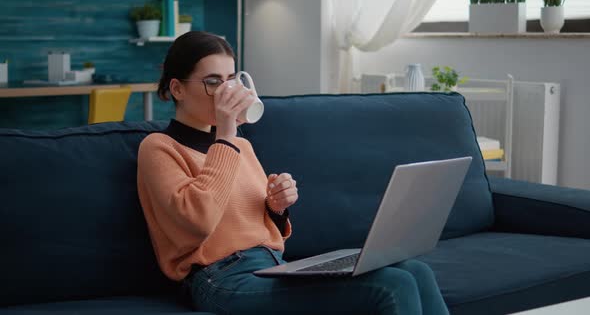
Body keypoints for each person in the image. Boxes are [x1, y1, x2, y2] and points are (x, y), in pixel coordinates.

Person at [137, 31, 449, 315]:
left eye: (231, 79)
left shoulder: (239, 147)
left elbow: (256, 224)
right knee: (393, 285)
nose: (226, 92)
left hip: (273, 265)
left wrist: (276, 208)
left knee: (415, 271)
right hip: (219, 279)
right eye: (214, 82)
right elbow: (199, 220)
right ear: (177, 88)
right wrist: (227, 133)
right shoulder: (161, 148)